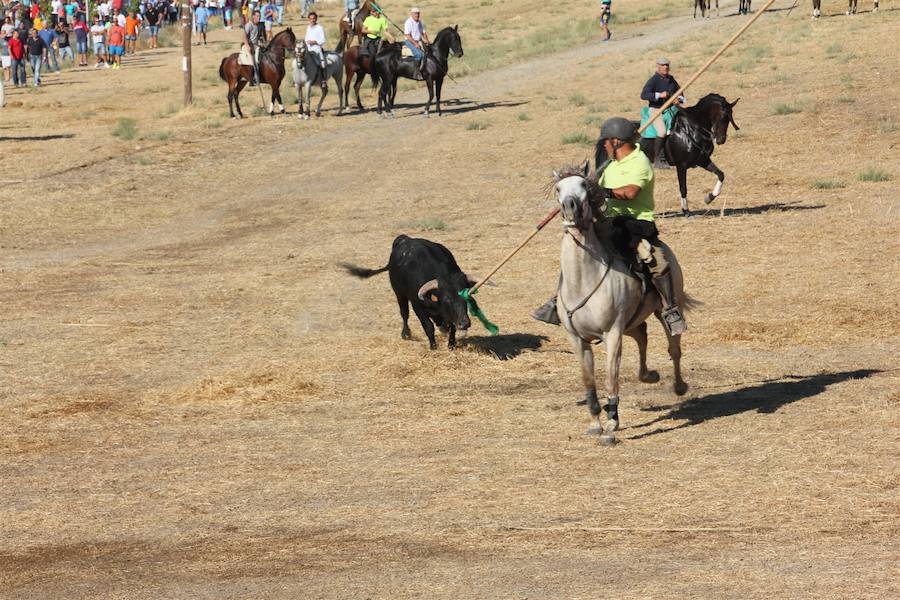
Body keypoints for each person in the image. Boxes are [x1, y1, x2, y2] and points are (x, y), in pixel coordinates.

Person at [532, 117, 687, 336]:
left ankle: (670, 308)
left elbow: (631, 192)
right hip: (610, 221)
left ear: (615, 141)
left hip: (636, 224)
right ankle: (559, 299)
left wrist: (603, 191)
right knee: (576, 251)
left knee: (653, 258)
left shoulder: (640, 162)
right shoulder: (611, 165)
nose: (603, 145)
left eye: (605, 141)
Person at [639, 57, 684, 169]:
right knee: (662, 131)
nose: (666, 67)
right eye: (663, 65)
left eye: (667, 65)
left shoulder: (671, 79)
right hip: (656, 110)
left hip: (672, 109)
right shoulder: (653, 80)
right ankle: (658, 159)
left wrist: (679, 99)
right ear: (658, 66)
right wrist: (659, 95)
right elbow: (644, 95)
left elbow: (681, 94)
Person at [404, 7, 428, 80]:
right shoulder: (409, 22)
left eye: (418, 13)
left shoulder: (419, 22)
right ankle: (416, 72)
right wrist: (415, 44)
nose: (417, 15)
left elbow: (423, 32)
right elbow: (408, 35)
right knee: (419, 54)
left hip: (418, 41)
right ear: (411, 14)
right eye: (415, 13)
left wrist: (427, 40)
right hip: (410, 41)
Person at [304, 11, 326, 88]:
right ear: (308, 19)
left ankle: (323, 80)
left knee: (321, 63)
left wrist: (315, 42)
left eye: (313, 18)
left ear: (316, 19)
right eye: (310, 19)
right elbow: (306, 38)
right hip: (308, 49)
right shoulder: (308, 27)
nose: (312, 20)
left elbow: (323, 40)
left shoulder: (320, 28)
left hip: (316, 48)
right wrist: (306, 43)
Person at [241, 9, 262, 85]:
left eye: (259, 16)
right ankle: (254, 79)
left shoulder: (259, 25)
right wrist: (247, 46)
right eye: (257, 16)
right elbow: (244, 36)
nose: (258, 18)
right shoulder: (249, 25)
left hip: (256, 46)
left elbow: (258, 37)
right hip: (249, 45)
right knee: (253, 61)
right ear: (253, 16)